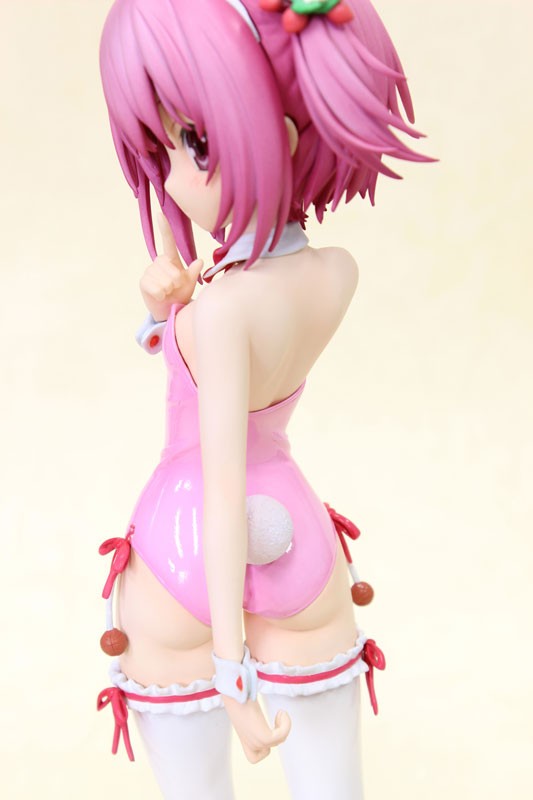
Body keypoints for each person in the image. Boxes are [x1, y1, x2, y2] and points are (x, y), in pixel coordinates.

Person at [96, 1, 430, 797]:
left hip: (183, 554)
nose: (170, 178)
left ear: (277, 138)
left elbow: (221, 482)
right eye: (159, 148)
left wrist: (229, 669)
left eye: (192, 144)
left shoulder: (221, 308)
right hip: (303, 547)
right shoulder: (335, 272)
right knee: (331, 782)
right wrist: (166, 311)